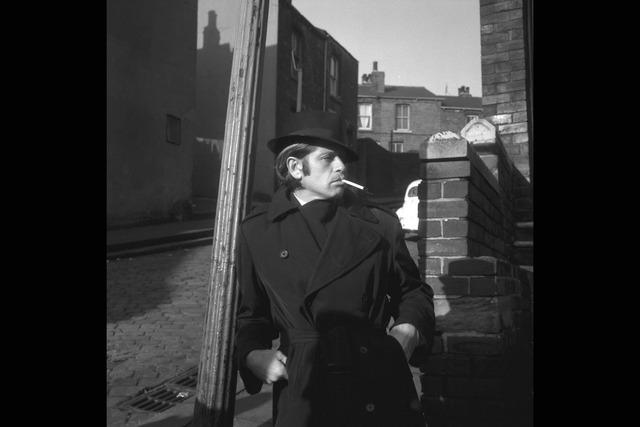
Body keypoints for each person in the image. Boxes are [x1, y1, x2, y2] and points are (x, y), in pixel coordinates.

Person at [235, 111, 435, 427]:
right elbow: (251, 314)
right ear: (295, 167)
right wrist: (252, 355)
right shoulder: (258, 231)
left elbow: (413, 292)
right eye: (328, 158)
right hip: (304, 387)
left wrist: (408, 329)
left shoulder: (379, 225)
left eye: (342, 158)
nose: (341, 166)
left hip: (377, 380)